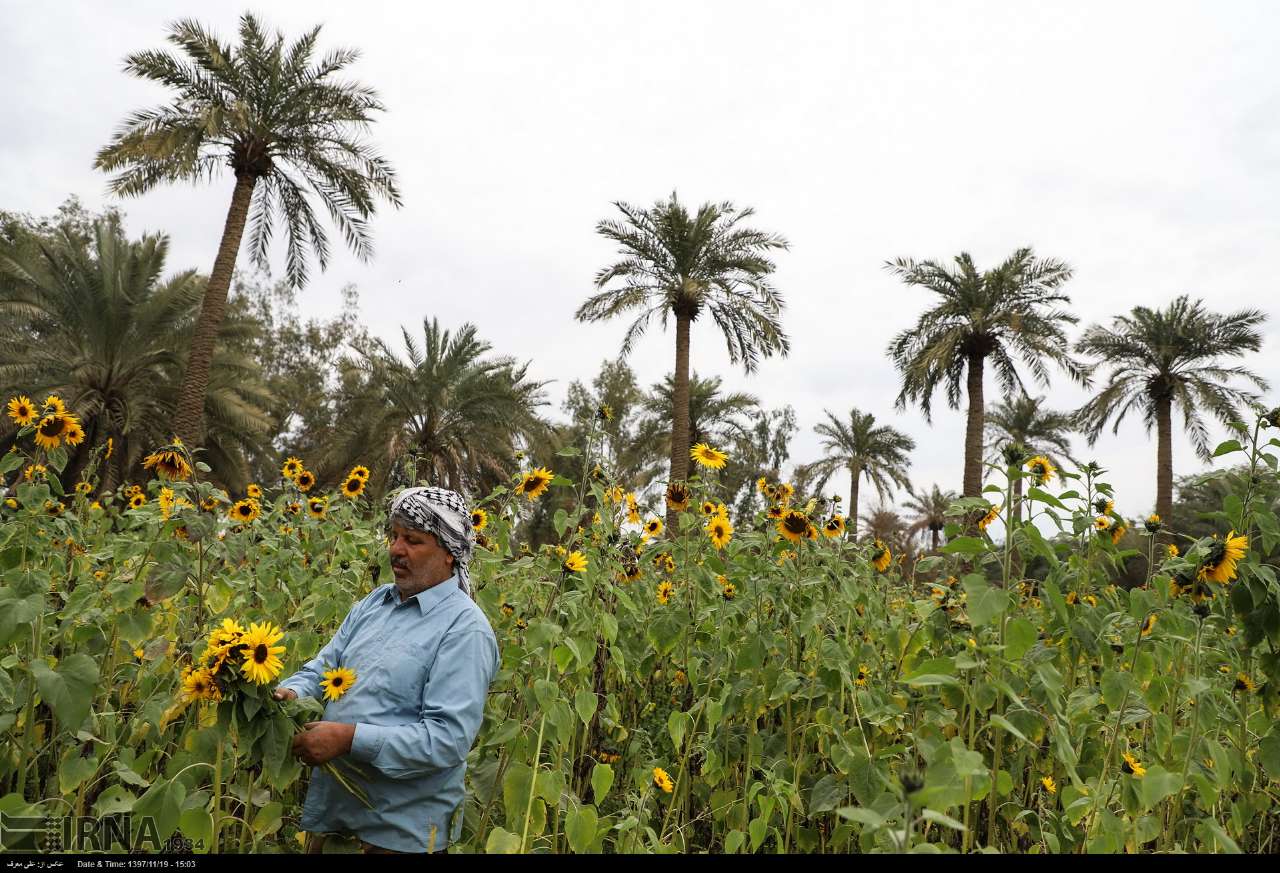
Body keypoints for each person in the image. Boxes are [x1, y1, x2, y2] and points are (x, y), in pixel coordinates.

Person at [273, 486, 498, 854]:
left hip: (398, 833)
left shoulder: (464, 629)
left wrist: (348, 739)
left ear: (449, 554)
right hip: (335, 820)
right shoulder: (375, 603)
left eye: (413, 540)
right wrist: (290, 693)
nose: (396, 549)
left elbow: (447, 740)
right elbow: (324, 669)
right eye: (394, 536)